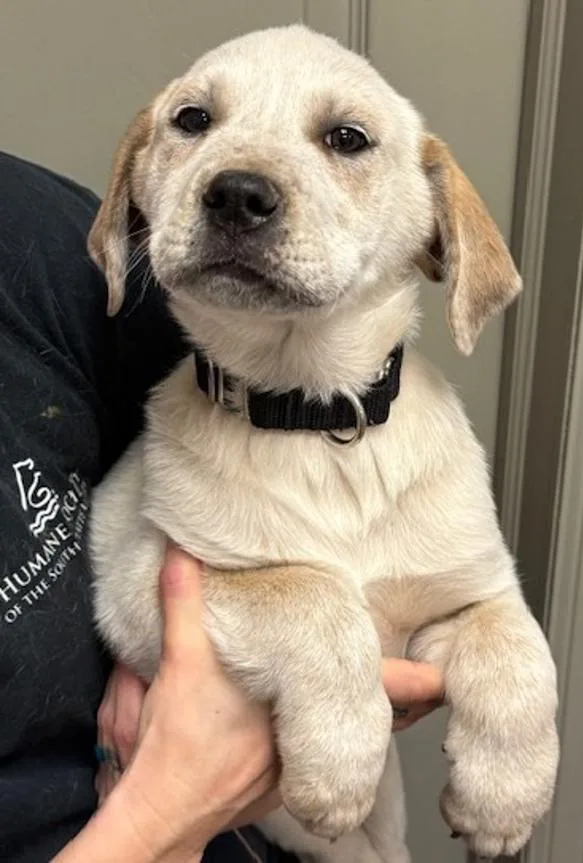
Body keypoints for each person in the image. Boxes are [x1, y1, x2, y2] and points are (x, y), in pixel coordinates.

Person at [0, 151, 444, 862]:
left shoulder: (24, 225)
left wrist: (145, 648)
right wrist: (157, 818)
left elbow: (168, 446)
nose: (242, 186)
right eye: (196, 122)